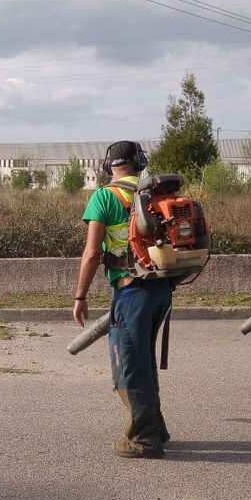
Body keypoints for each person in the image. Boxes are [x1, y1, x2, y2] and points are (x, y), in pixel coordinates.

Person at [73, 140, 171, 458]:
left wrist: (80, 295)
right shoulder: (155, 193)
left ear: (108, 165)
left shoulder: (104, 196)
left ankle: (143, 438)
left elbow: (91, 253)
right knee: (144, 358)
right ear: (139, 162)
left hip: (131, 289)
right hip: (161, 288)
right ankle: (157, 426)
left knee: (129, 363)